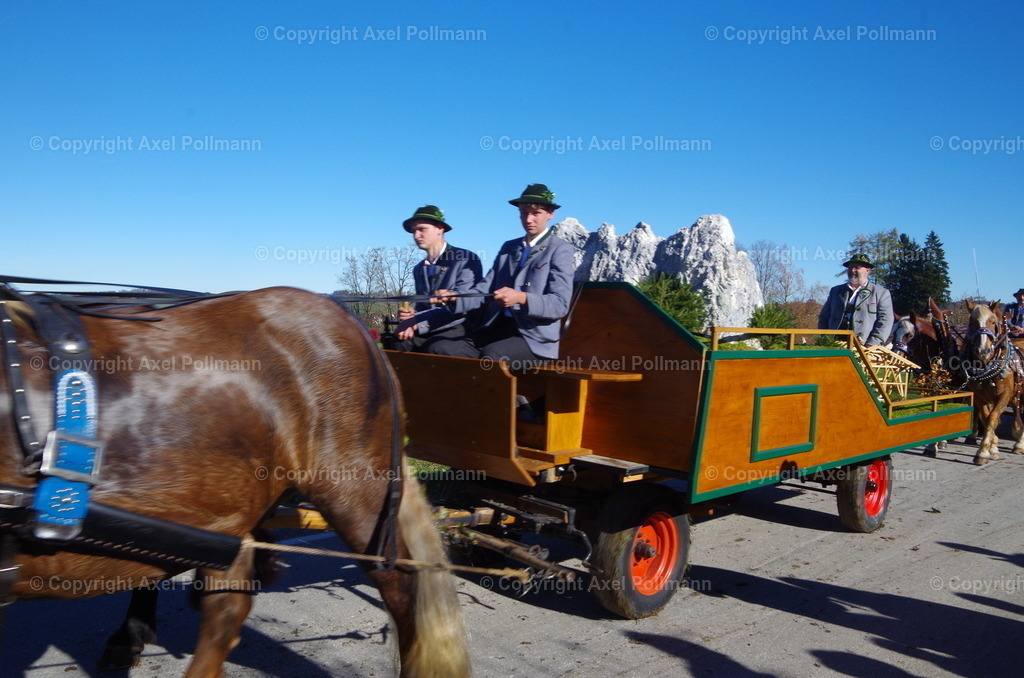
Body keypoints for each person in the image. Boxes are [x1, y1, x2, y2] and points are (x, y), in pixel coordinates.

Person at [430, 183, 575, 365]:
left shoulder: (560, 249)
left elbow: (560, 304)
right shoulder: (509, 247)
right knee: (441, 347)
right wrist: (454, 297)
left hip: (534, 339)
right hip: (495, 328)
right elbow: (483, 290)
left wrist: (521, 298)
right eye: (523, 213)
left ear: (550, 214)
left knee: (493, 356)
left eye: (535, 213)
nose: (528, 219)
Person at [393, 205, 482, 352]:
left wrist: (417, 322)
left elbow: (464, 307)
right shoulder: (419, 268)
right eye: (414, 231)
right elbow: (423, 306)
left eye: (422, 229)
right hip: (429, 326)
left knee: (437, 348)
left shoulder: (466, 259)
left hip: (460, 327)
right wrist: (411, 316)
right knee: (398, 341)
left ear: (440, 229)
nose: (416, 236)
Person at [817, 253, 894, 346]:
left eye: (857, 267)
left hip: (864, 346)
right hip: (834, 344)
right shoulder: (836, 291)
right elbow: (824, 317)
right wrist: (825, 338)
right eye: (850, 267)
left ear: (867, 270)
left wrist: (872, 344)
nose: (852, 270)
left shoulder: (881, 293)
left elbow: (885, 321)